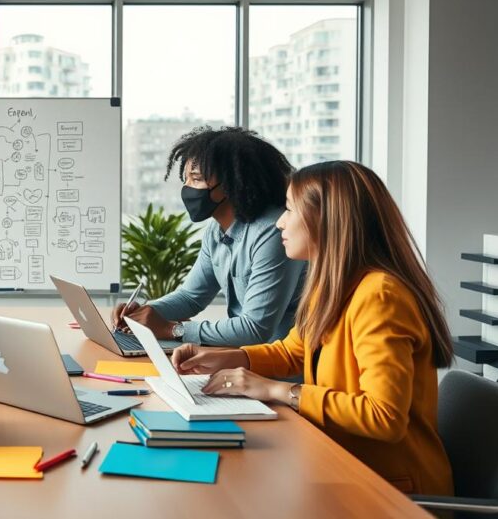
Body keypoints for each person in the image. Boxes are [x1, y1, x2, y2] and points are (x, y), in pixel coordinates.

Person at [172, 160, 454, 496]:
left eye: (289, 209)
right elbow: (294, 351)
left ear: (328, 221)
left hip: (392, 492)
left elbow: (383, 417)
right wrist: (232, 358)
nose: (279, 222)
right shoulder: (333, 284)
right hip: (341, 466)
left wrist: (277, 391)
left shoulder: (380, 295)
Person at [113, 127, 306, 347]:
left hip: (277, 369)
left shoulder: (274, 232)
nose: (187, 188)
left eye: (196, 179)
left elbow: (255, 328)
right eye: (185, 179)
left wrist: (171, 329)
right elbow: (191, 296)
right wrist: (145, 313)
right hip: (243, 359)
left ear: (231, 184)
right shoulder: (216, 232)